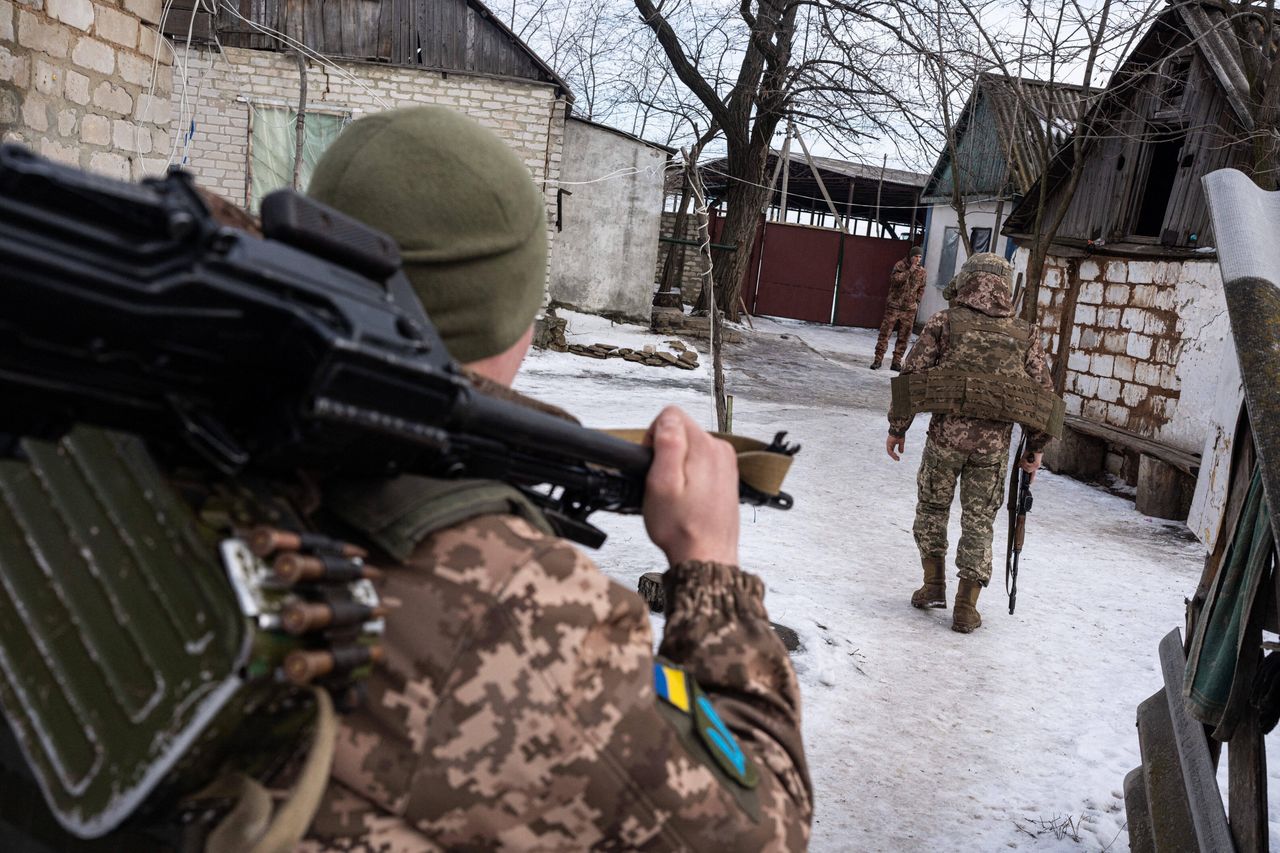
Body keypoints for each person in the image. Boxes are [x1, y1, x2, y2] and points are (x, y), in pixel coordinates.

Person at [297, 108, 812, 849]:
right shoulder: (516, 612)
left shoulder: (171, 409)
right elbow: (761, 830)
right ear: (515, 321)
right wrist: (713, 576)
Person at [884, 253, 1063, 633]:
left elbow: (912, 375)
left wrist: (898, 427)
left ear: (967, 280)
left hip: (944, 440)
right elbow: (1043, 397)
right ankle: (966, 607)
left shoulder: (944, 322)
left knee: (933, 507)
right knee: (980, 520)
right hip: (993, 448)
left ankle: (933, 585)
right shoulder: (1025, 334)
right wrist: (1035, 447)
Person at [871, 245, 926, 372]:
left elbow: (922, 287)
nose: (918, 259)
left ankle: (896, 362)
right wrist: (910, 271)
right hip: (894, 306)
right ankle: (878, 359)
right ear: (911, 257)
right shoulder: (900, 266)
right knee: (885, 333)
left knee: (904, 336)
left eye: (920, 257)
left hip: (909, 309)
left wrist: (917, 301)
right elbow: (895, 280)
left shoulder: (922, 271)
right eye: (916, 256)